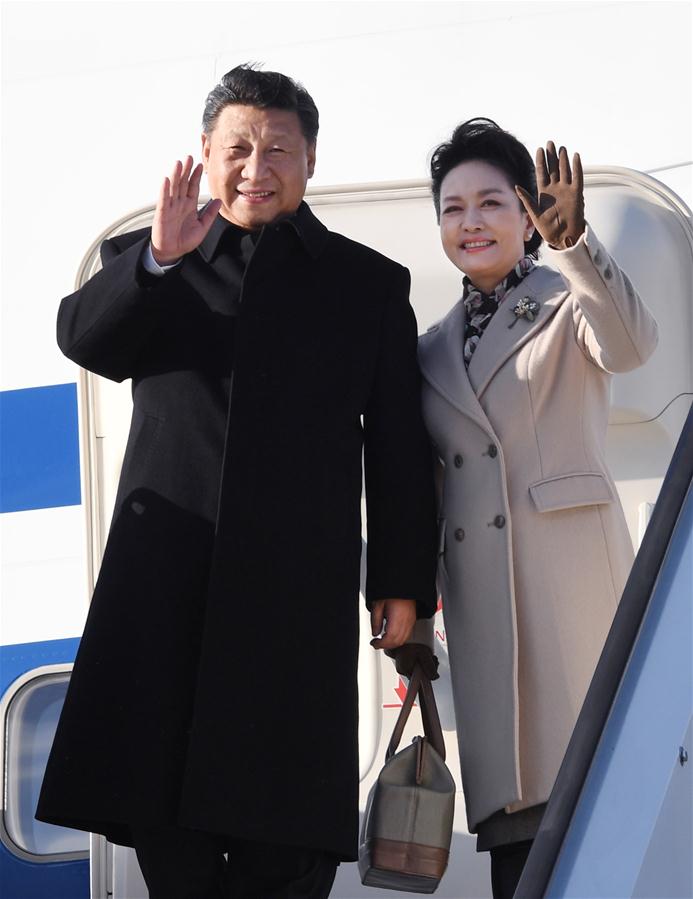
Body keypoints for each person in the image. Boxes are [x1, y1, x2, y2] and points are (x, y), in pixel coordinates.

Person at [36, 65, 438, 899]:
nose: (257, 166)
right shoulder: (150, 259)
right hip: (166, 598)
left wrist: (404, 585)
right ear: (205, 157)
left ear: (312, 160)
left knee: (287, 848)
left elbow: (397, 448)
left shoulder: (366, 285)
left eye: (279, 149)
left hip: (292, 609)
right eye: (238, 148)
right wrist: (155, 259)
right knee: (169, 835)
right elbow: (84, 339)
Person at [400, 118, 658, 899]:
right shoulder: (428, 349)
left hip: (573, 606)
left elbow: (629, 345)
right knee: (519, 856)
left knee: (602, 822)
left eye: (490, 202)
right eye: (452, 207)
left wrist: (575, 243)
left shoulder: (565, 297)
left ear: (526, 214)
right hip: (487, 631)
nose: (470, 221)